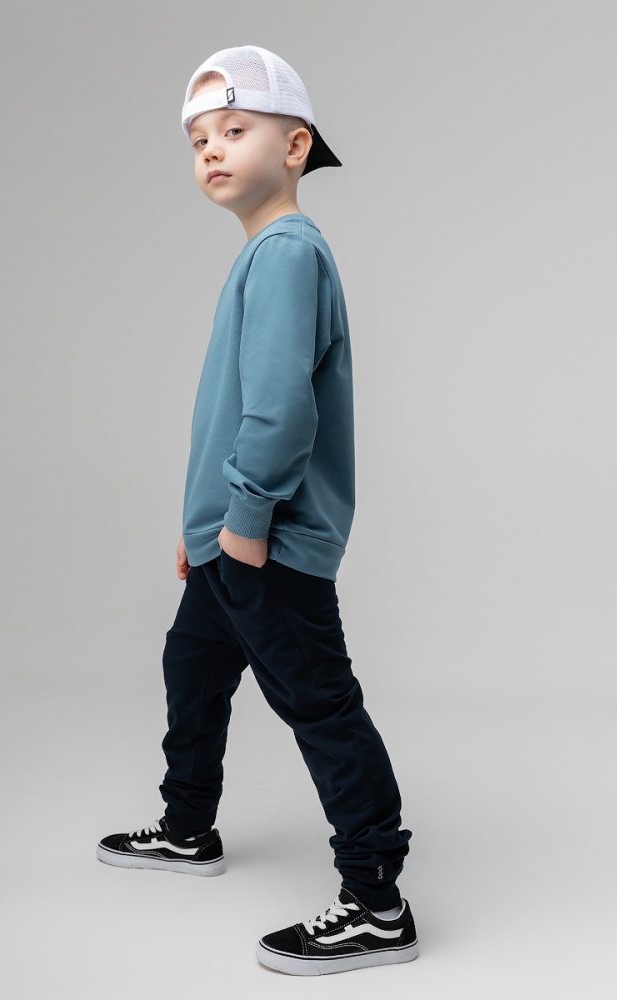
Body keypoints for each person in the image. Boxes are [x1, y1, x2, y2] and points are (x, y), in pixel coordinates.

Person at [97, 44, 418, 976]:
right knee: (192, 667)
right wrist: (203, 525)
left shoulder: (285, 253)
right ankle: (187, 828)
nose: (211, 149)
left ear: (295, 145)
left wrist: (241, 521)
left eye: (235, 129)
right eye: (199, 138)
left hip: (266, 540)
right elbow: (233, 412)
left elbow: (279, 412)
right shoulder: (266, 255)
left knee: (320, 705)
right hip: (229, 537)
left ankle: (377, 902)